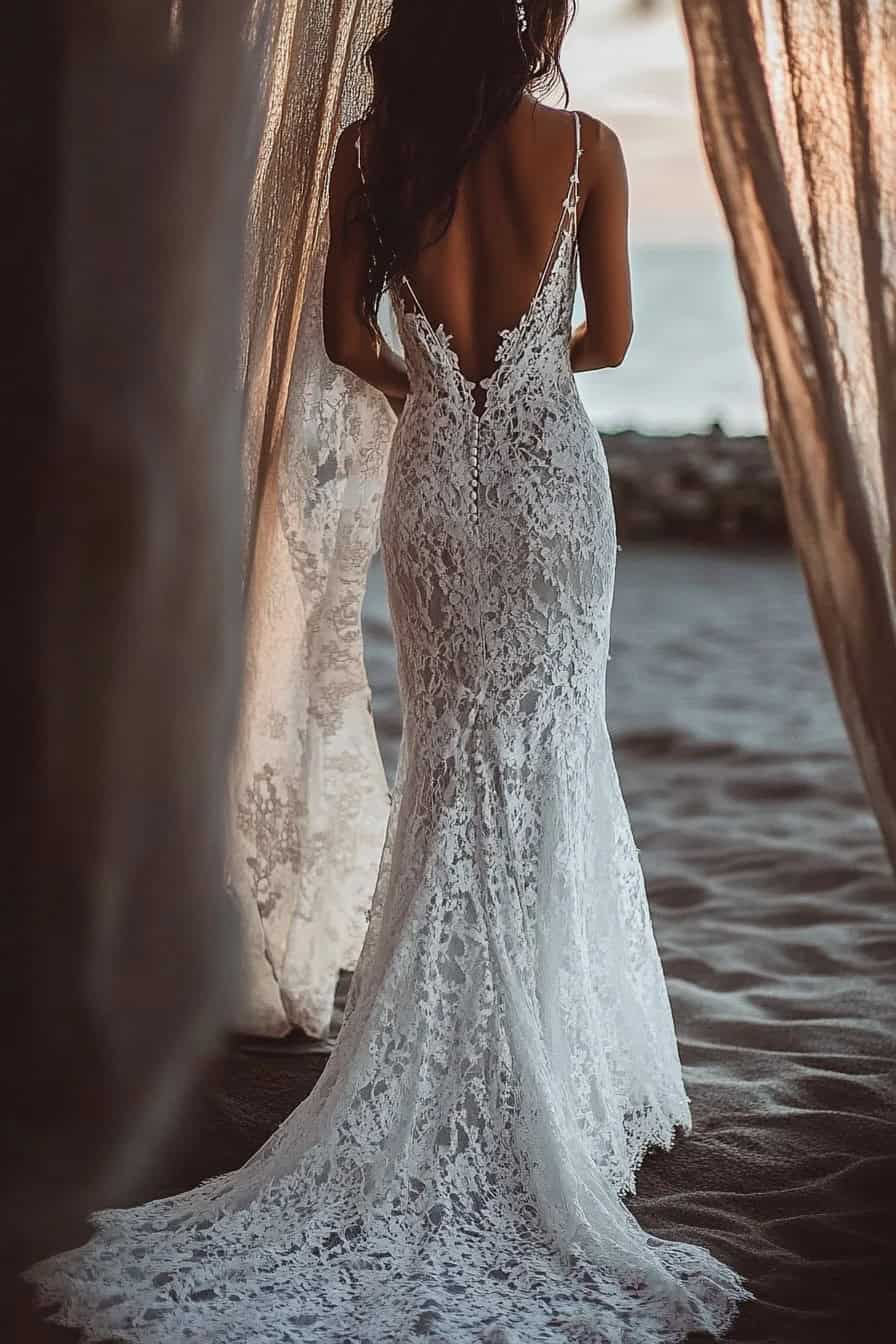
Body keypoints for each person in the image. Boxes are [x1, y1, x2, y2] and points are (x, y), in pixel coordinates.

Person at [24, 2, 754, 1339]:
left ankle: (460, 1058)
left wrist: (440, 378)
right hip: (545, 483)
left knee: (453, 764)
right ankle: (550, 1073)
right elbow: (615, 346)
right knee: (545, 754)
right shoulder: (589, 145)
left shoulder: (370, 152)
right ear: (526, 24)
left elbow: (348, 344)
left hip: (434, 488)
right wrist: (522, 375)